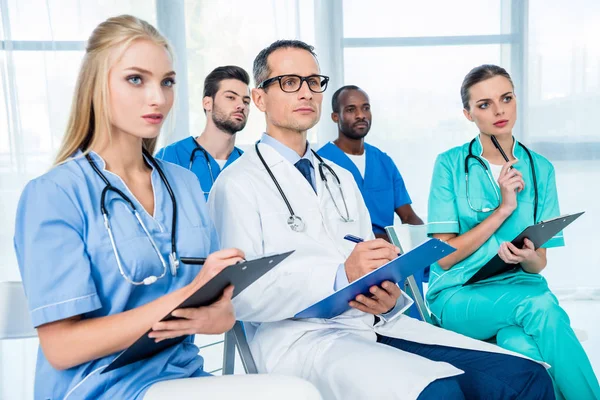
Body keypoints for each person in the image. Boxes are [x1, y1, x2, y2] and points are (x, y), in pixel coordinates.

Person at [208, 40, 555, 400]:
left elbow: (367, 259)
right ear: (260, 98)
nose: (306, 92)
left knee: (526, 377)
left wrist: (387, 296)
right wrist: (342, 276)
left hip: (371, 322)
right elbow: (240, 297)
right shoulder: (237, 184)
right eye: (290, 82)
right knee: (440, 392)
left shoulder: (338, 176)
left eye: (314, 81)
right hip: (301, 341)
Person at [13, 16, 320, 400]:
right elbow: (61, 348)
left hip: (184, 380)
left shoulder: (184, 185)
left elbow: (224, 314)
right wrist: (179, 299)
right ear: (96, 85)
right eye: (136, 79)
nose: (158, 98)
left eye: (167, 82)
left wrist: (213, 314)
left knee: (299, 391)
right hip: (100, 389)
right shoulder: (55, 194)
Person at [426, 64, 600, 400]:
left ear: (516, 100)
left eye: (506, 98)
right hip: (458, 294)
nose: (499, 110)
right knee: (541, 306)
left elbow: (539, 265)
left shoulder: (541, 168)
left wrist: (530, 256)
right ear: (468, 113)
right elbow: (444, 259)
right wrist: (504, 208)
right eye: (484, 104)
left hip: (519, 286)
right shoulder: (449, 164)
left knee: (526, 353)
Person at [317, 85, 426, 319]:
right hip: (347, 251)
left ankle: (417, 333)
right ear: (335, 116)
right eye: (351, 109)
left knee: (414, 266)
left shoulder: (383, 161)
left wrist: (426, 241)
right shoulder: (321, 163)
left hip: (389, 250)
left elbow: (408, 216)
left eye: (365, 108)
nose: (360, 115)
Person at [156, 65, 250, 200]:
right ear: (207, 103)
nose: (241, 105)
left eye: (246, 101)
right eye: (230, 97)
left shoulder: (249, 164)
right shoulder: (170, 157)